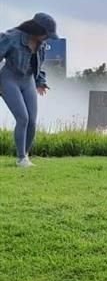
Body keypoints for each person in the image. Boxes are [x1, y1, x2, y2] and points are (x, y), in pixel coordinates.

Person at [0, 12, 57, 168]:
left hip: (28, 80)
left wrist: (40, 81)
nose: (48, 37)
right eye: (46, 34)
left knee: (32, 121)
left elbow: (39, 65)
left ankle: (24, 158)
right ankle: (20, 158)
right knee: (22, 118)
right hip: (9, 78)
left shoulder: (41, 45)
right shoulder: (11, 37)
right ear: (37, 29)